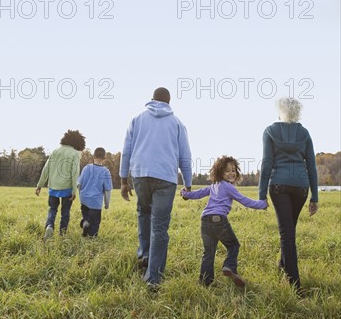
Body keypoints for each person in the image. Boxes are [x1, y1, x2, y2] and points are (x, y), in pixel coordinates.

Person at [120, 87, 192, 288]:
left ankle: (144, 255)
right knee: (160, 225)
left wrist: (123, 180)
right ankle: (153, 278)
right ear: (169, 103)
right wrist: (188, 183)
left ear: (151, 99)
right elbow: (185, 157)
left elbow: (126, 151)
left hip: (140, 174)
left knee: (143, 213)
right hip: (165, 178)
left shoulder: (137, 119)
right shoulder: (177, 123)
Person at [259, 97, 318, 293]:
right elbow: (311, 166)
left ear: (280, 111)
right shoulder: (305, 133)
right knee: (290, 228)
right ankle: (282, 265)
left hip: (279, 185)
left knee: (286, 234)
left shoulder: (269, 131)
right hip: (301, 187)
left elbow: (267, 163)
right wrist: (315, 197)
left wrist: (261, 194)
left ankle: (295, 285)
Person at [181, 156, 268, 288]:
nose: (231, 173)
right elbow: (245, 201)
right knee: (233, 246)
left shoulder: (213, 186)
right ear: (219, 173)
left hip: (205, 221)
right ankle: (229, 267)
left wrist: (185, 194)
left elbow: (197, 194)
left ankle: (205, 283)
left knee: (208, 253)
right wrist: (262, 204)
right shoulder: (228, 187)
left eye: (233, 170)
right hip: (219, 221)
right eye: (227, 171)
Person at [35, 129, 86, 238]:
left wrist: (39, 185)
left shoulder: (55, 151)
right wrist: (74, 191)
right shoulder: (75, 154)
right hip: (67, 188)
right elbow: (75, 173)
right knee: (65, 211)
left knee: (52, 209)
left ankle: (49, 226)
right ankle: (62, 233)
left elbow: (46, 169)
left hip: (53, 187)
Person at [77, 147, 112, 237]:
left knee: (87, 217)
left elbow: (79, 184)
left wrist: (80, 195)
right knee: (95, 223)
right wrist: (107, 204)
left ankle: (85, 222)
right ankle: (92, 237)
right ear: (104, 158)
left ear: (93, 156)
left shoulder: (86, 168)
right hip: (95, 203)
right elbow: (107, 190)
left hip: (84, 199)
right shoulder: (105, 172)